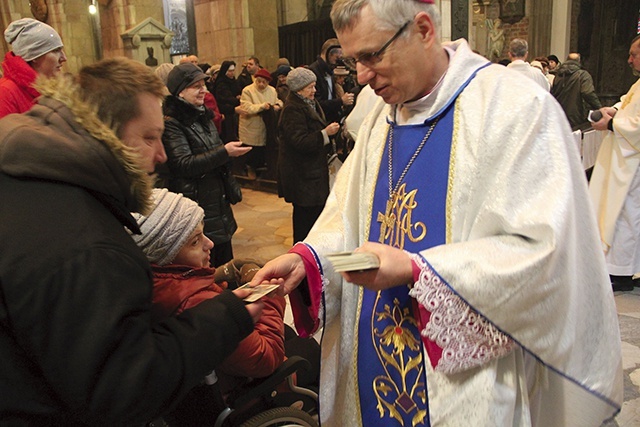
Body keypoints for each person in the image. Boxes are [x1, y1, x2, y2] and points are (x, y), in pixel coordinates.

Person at [251, 1, 623, 425]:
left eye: (372, 55)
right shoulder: (380, 121)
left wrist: (418, 268)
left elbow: (545, 252)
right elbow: (346, 217)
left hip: (461, 377)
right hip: (371, 357)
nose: (361, 76)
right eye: (354, 59)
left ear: (424, 29)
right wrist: (309, 260)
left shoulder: (513, 109)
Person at [0, 57, 261, 424]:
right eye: (149, 137)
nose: (162, 155)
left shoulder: (24, 171)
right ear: (106, 131)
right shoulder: (85, 244)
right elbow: (123, 390)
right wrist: (227, 317)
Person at [131, 188, 286, 394]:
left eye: (203, 233)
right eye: (195, 241)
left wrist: (219, 276)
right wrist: (268, 295)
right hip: (242, 390)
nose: (210, 243)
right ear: (165, 256)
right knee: (309, 353)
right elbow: (265, 357)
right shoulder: (195, 302)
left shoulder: (151, 282)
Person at [161, 63, 251, 266]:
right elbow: (183, 164)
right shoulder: (172, 123)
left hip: (216, 201)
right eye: (196, 86)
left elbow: (212, 153)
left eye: (204, 84)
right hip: (197, 201)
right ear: (180, 91)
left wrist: (226, 154)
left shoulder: (203, 116)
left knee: (226, 266)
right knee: (210, 269)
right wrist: (224, 152)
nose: (203, 90)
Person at [589, 35, 640, 292]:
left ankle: (623, 272)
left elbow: (638, 126)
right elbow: (629, 108)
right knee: (621, 213)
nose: (629, 59)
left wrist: (610, 123)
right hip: (626, 160)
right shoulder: (638, 84)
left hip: (634, 166)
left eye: (634, 54)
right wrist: (614, 111)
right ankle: (621, 268)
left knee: (628, 215)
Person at [277, 67, 340, 243]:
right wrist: (325, 133)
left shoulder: (307, 102)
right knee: (305, 222)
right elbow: (300, 142)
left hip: (311, 173)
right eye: (310, 87)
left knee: (314, 218)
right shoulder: (293, 109)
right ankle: (302, 258)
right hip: (302, 176)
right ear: (298, 88)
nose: (314, 90)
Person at [0, 18, 67, 118]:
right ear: (34, 56)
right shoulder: (5, 94)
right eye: (55, 51)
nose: (64, 58)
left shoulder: (54, 86)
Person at [238, 67, 283, 179]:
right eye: (258, 81)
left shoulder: (272, 90)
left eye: (264, 82)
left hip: (265, 126)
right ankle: (250, 169)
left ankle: (262, 171)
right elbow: (246, 107)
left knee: (263, 150)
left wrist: (278, 105)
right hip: (251, 125)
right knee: (251, 151)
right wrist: (262, 106)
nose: (261, 84)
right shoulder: (247, 90)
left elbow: (278, 101)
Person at [551, 52, 602, 131]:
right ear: (579, 61)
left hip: (559, 113)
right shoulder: (583, 75)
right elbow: (588, 93)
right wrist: (600, 108)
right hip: (576, 114)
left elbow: (553, 93)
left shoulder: (558, 75)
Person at [309, 38, 355, 123]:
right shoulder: (313, 72)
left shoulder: (329, 71)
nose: (338, 59)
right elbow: (317, 103)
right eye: (337, 56)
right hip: (321, 121)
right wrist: (341, 101)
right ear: (329, 54)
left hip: (330, 119)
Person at [213, 60, 242, 142]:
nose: (232, 73)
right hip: (226, 112)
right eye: (230, 71)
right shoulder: (221, 83)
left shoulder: (234, 81)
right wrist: (236, 99)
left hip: (235, 111)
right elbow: (224, 98)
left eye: (233, 71)